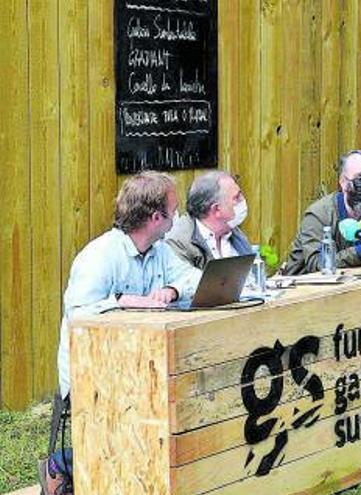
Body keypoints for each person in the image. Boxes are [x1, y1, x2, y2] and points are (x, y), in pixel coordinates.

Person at [40, 171, 202, 495]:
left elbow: (196, 279)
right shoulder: (99, 256)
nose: (178, 214)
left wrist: (171, 288)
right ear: (157, 217)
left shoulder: (161, 251)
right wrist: (119, 302)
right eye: (174, 209)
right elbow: (78, 313)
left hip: (140, 371)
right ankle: (60, 464)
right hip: (95, 376)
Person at [282, 150, 361, 274]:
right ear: (343, 182)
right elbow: (317, 264)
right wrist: (359, 252)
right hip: (306, 288)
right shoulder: (319, 215)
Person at [166, 171, 252, 269]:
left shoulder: (234, 233)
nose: (243, 200)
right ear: (216, 209)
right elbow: (184, 282)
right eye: (237, 197)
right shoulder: (180, 242)